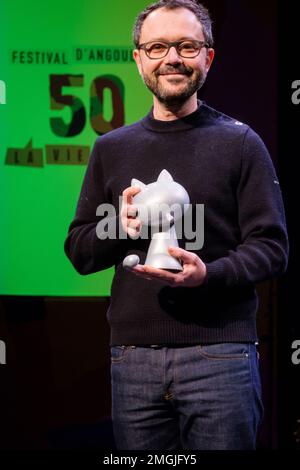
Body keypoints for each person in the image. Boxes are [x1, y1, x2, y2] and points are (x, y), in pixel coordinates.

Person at [64, 0, 288, 450]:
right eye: (158, 46)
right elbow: (80, 250)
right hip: (133, 359)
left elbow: (271, 248)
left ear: (208, 56)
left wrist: (208, 274)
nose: (172, 58)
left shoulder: (241, 143)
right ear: (138, 58)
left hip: (220, 357)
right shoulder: (111, 148)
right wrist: (121, 227)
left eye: (186, 46)